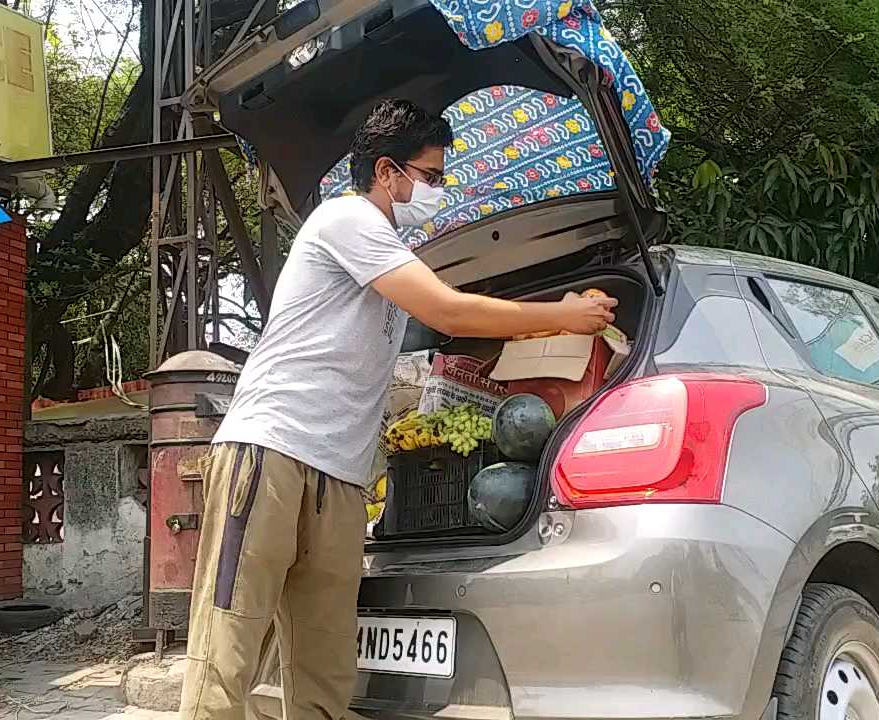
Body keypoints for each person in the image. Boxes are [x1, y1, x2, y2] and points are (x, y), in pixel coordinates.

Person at [178, 98, 618, 720]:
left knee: (325, 670)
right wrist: (562, 315)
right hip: (271, 451)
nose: (436, 190)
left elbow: (461, 329)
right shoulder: (347, 220)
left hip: (342, 477)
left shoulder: (390, 252)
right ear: (388, 172)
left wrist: (554, 326)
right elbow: (449, 312)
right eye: (431, 176)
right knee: (228, 656)